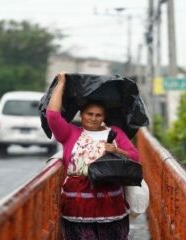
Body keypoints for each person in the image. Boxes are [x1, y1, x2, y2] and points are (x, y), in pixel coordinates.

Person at [46, 72, 139, 240]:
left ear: (104, 117)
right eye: (89, 114)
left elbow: (134, 157)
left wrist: (117, 151)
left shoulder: (115, 133)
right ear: (81, 114)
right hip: (77, 205)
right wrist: (61, 84)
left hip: (111, 205)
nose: (93, 119)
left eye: (98, 115)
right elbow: (53, 116)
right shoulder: (69, 134)